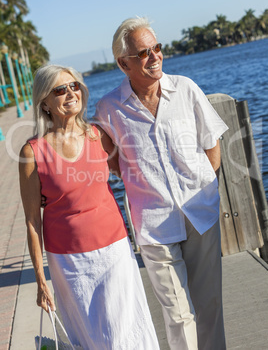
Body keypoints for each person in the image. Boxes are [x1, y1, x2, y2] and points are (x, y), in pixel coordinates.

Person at [94, 17, 229, 350]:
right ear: (123, 63)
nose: (154, 56)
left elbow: (212, 144)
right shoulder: (109, 108)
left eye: (157, 48)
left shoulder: (186, 88)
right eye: (143, 52)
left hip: (201, 214)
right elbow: (109, 164)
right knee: (179, 315)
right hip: (153, 225)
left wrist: (204, 188)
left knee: (209, 305)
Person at [19, 64, 160, 350]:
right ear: (44, 101)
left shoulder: (98, 136)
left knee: (124, 332)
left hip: (115, 249)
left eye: (74, 86)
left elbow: (133, 173)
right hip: (68, 262)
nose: (71, 93)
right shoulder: (32, 152)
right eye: (60, 89)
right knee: (92, 336)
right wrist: (39, 278)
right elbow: (32, 220)